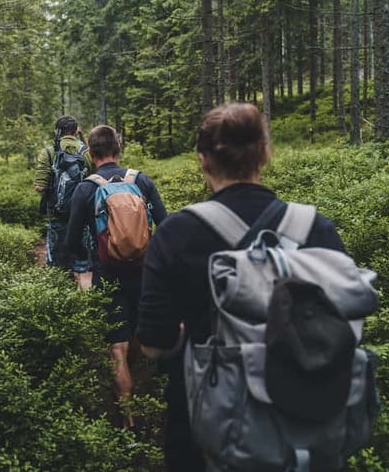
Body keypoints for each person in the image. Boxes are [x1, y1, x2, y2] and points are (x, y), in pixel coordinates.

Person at [136, 103, 347, 471]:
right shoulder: (315, 227)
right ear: (265, 152)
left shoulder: (176, 234)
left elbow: (153, 343)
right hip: (305, 427)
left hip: (205, 429)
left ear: (202, 160)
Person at [65, 124, 167, 428]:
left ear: (91, 154)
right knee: (135, 335)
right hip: (143, 273)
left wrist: (89, 258)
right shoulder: (142, 181)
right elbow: (165, 223)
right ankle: (142, 388)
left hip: (108, 274)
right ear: (118, 149)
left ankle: (128, 418)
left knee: (116, 348)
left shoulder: (86, 188)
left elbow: (71, 242)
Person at [34, 116, 95, 279]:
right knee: (82, 259)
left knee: (56, 262)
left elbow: (39, 187)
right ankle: (82, 290)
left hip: (56, 212)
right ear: (76, 131)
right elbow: (96, 175)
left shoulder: (48, 152)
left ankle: (59, 287)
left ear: (58, 132)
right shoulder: (86, 152)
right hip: (82, 214)